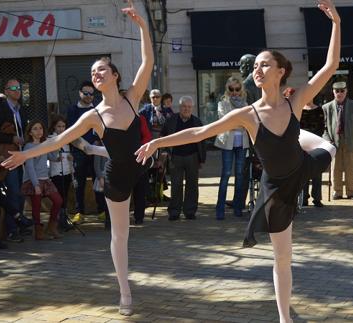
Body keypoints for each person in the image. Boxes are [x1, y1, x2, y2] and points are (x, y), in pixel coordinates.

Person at [135, 2, 339, 321]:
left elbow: (330, 65)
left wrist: (336, 23)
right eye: (254, 66)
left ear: (281, 71)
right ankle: (285, 317)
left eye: (263, 65)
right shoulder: (248, 115)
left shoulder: (294, 101)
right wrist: (158, 142)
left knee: (330, 147)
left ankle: (297, 139)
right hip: (276, 189)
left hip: (302, 166)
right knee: (282, 257)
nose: (256, 70)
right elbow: (200, 131)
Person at [2, 1, 153, 316]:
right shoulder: (93, 117)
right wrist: (25, 154)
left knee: (131, 229)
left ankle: (126, 288)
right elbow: (59, 139)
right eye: (93, 72)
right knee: (119, 235)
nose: (96, 74)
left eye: (101, 70)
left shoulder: (132, 97)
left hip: (138, 172)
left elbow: (148, 61)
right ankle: (125, 293)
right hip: (114, 179)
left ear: (114, 75)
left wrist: (141, 26)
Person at [0, 78, 31, 242]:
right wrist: (11, 138)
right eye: (13, 88)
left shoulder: (22, 110)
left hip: (22, 154)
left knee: (22, 190)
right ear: (6, 91)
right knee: (13, 189)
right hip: (8, 155)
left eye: (19, 87)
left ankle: (20, 222)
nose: (17, 90)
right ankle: (12, 229)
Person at [160, 96, 206, 220]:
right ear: (179, 107)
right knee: (176, 185)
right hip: (176, 156)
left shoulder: (197, 122)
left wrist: (202, 159)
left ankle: (190, 211)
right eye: (184, 106)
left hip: (192, 157)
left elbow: (202, 141)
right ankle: (174, 212)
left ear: (192, 108)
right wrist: (165, 151)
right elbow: (162, 135)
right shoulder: (171, 120)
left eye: (189, 107)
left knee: (192, 185)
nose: (186, 109)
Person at [214, 77, 250, 219]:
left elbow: (247, 124)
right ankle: (220, 209)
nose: (234, 92)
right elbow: (225, 122)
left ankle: (237, 207)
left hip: (242, 143)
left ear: (241, 89)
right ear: (227, 89)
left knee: (240, 176)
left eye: (237, 89)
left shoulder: (246, 104)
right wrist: (239, 123)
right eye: (231, 89)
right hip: (227, 143)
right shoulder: (223, 103)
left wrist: (236, 123)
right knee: (226, 174)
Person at [21, 121, 63, 240]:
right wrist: (36, 185)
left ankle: (52, 226)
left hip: (45, 179)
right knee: (36, 205)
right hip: (34, 180)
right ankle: (38, 230)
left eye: (40, 128)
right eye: (35, 129)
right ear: (30, 132)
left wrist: (56, 153)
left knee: (58, 201)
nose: (39, 131)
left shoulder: (44, 144)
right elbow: (29, 167)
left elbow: (51, 157)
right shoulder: (28, 146)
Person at [322, 81, 353, 199]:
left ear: (346, 91)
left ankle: (351, 192)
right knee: (335, 169)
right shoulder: (327, 107)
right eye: (337, 91)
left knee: (351, 168)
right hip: (334, 142)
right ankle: (337, 192)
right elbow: (324, 128)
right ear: (333, 92)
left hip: (350, 142)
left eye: (342, 91)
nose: (339, 93)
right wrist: (327, 141)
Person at [67, 81, 99, 225]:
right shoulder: (72, 110)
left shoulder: (98, 109)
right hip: (79, 151)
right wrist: (82, 147)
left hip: (96, 151)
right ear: (80, 93)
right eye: (85, 93)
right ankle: (80, 212)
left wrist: (96, 144)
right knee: (79, 183)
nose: (88, 96)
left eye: (91, 93)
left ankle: (102, 211)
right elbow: (72, 131)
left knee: (98, 180)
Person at [47, 115, 74, 231]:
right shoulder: (50, 139)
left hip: (66, 171)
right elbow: (48, 155)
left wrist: (70, 157)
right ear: (54, 127)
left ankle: (63, 220)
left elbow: (69, 152)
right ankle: (57, 221)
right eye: (59, 126)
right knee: (60, 197)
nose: (61, 129)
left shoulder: (67, 139)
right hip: (56, 172)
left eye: (63, 126)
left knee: (65, 196)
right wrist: (54, 158)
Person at [300, 100, 325, 207]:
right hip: (302, 144)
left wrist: (316, 141)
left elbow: (322, 126)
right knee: (304, 172)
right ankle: (304, 198)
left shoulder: (319, 109)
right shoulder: (299, 109)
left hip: (316, 143)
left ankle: (317, 198)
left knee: (316, 172)